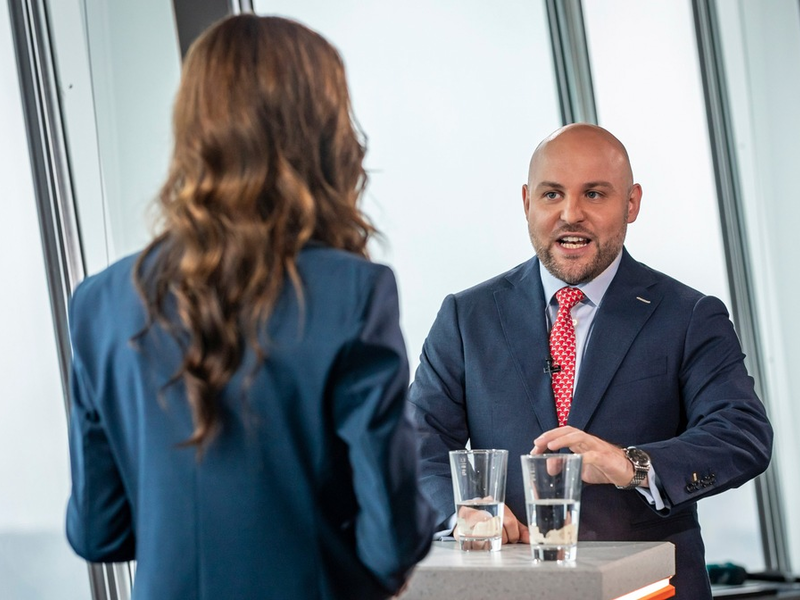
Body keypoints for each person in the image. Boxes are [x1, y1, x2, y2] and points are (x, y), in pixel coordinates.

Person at [65, 14, 434, 600]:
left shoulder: (98, 303)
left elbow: (98, 531)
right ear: (322, 131)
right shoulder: (354, 293)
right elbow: (392, 541)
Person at [408, 123, 773, 597]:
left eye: (595, 194)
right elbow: (417, 443)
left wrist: (631, 464)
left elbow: (742, 434)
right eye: (552, 194)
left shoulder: (689, 316)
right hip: (506, 587)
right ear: (526, 202)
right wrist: (460, 514)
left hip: (650, 588)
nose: (570, 214)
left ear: (631, 203)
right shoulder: (466, 316)